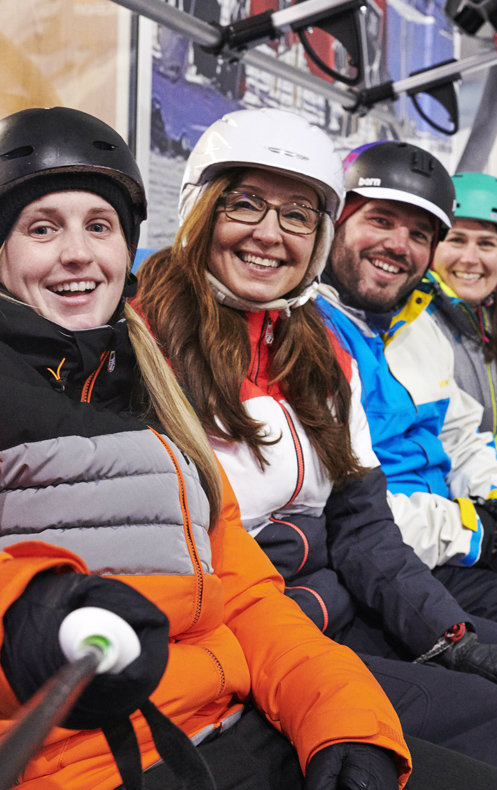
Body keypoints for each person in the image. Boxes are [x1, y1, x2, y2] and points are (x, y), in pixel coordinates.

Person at [0, 106, 418, 790]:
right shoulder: (150, 355)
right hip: (80, 760)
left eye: (99, 226)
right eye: (42, 228)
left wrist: (342, 718)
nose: (78, 253)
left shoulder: (140, 385)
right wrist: (26, 614)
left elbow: (245, 592)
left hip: (223, 723)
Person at [136, 106, 497, 774]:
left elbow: (363, 528)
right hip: (250, 650)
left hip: (331, 618)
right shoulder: (142, 344)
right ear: (201, 207)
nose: (270, 235)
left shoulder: (321, 352)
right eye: (246, 203)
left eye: (298, 215)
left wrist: (450, 637)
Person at [316, 141, 497, 610]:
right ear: (334, 223)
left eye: (420, 234)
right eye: (380, 220)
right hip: (391, 566)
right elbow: (347, 513)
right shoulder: (308, 333)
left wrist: (494, 495)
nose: (398, 245)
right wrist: (474, 529)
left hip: (444, 549)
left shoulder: (420, 324)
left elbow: (461, 434)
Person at [425, 172, 497, 446]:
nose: (470, 259)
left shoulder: (490, 314)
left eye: (486, 243)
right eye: (456, 240)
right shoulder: (409, 321)